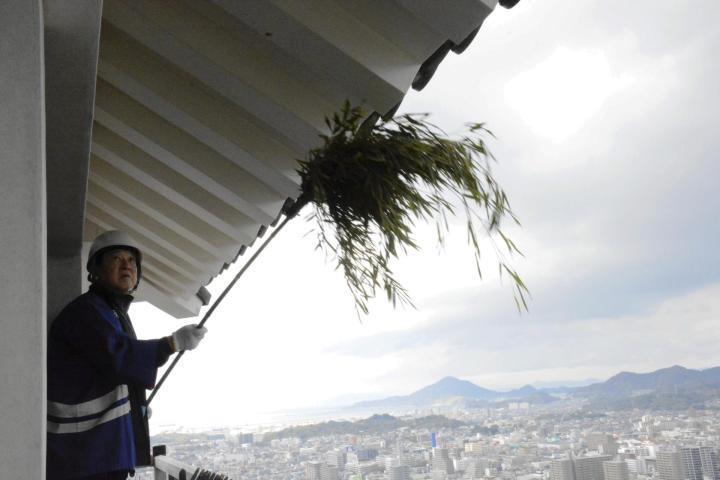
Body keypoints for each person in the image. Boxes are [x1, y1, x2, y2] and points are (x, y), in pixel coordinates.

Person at [47, 230, 208, 480]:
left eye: (131, 260)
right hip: (85, 454)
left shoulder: (110, 312)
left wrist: (133, 407)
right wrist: (171, 343)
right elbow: (118, 356)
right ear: (95, 270)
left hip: (94, 451)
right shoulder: (87, 312)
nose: (126, 265)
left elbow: (108, 371)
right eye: (116, 259)